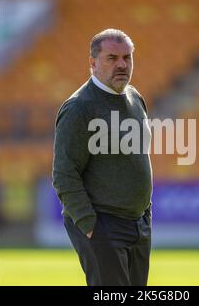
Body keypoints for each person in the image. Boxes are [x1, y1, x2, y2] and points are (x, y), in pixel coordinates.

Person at [52, 29, 153, 286]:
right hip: (102, 225)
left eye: (127, 57)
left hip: (137, 223)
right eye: (112, 58)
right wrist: (89, 225)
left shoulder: (134, 97)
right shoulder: (79, 108)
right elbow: (64, 174)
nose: (122, 64)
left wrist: (145, 211)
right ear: (93, 63)